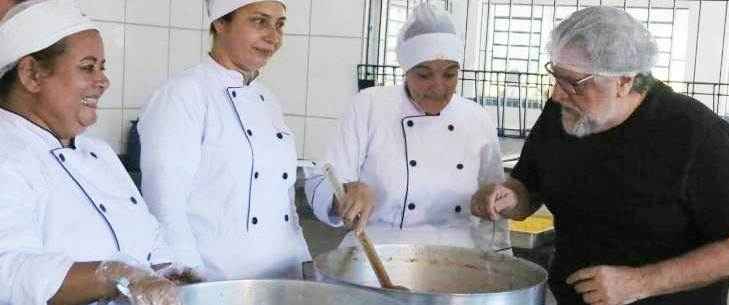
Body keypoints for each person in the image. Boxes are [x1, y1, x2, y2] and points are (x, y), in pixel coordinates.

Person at [471, 6, 729, 305]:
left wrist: (639, 283)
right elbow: (528, 187)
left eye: (573, 83)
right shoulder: (563, 113)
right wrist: (507, 198)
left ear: (624, 81)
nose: (556, 94)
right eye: (556, 76)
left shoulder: (696, 134)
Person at [0, 1, 196, 304]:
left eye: (102, 68)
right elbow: (9, 271)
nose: (103, 81)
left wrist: (172, 275)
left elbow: (152, 242)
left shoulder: (99, 154)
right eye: (88, 67)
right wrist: (119, 275)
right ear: (31, 74)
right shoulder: (6, 154)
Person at [306, 4, 509, 252]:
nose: (438, 87)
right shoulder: (370, 106)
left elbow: (496, 205)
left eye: (450, 75)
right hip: (376, 252)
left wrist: (500, 262)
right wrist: (346, 193)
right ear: (406, 70)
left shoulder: (477, 119)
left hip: (458, 262)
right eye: (424, 75)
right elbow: (322, 180)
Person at [138, 0, 311, 280]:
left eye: (279, 25)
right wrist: (190, 282)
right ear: (220, 23)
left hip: (282, 276)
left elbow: (284, 200)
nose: (273, 37)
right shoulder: (183, 95)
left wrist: (304, 263)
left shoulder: (268, 99)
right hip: (219, 280)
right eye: (259, 21)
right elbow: (164, 206)